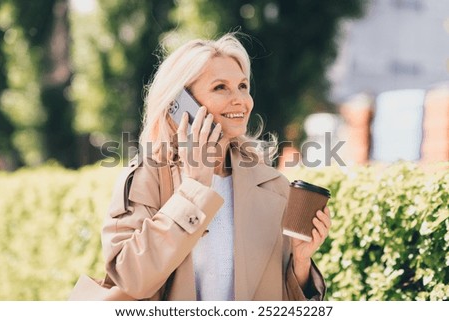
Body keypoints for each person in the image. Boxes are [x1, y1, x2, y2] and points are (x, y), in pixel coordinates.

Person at [101, 33, 331, 301]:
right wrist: (194, 189)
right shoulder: (147, 178)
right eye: (220, 87)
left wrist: (301, 264)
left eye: (243, 86)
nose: (240, 100)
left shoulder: (274, 186)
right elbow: (131, 278)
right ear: (179, 103)